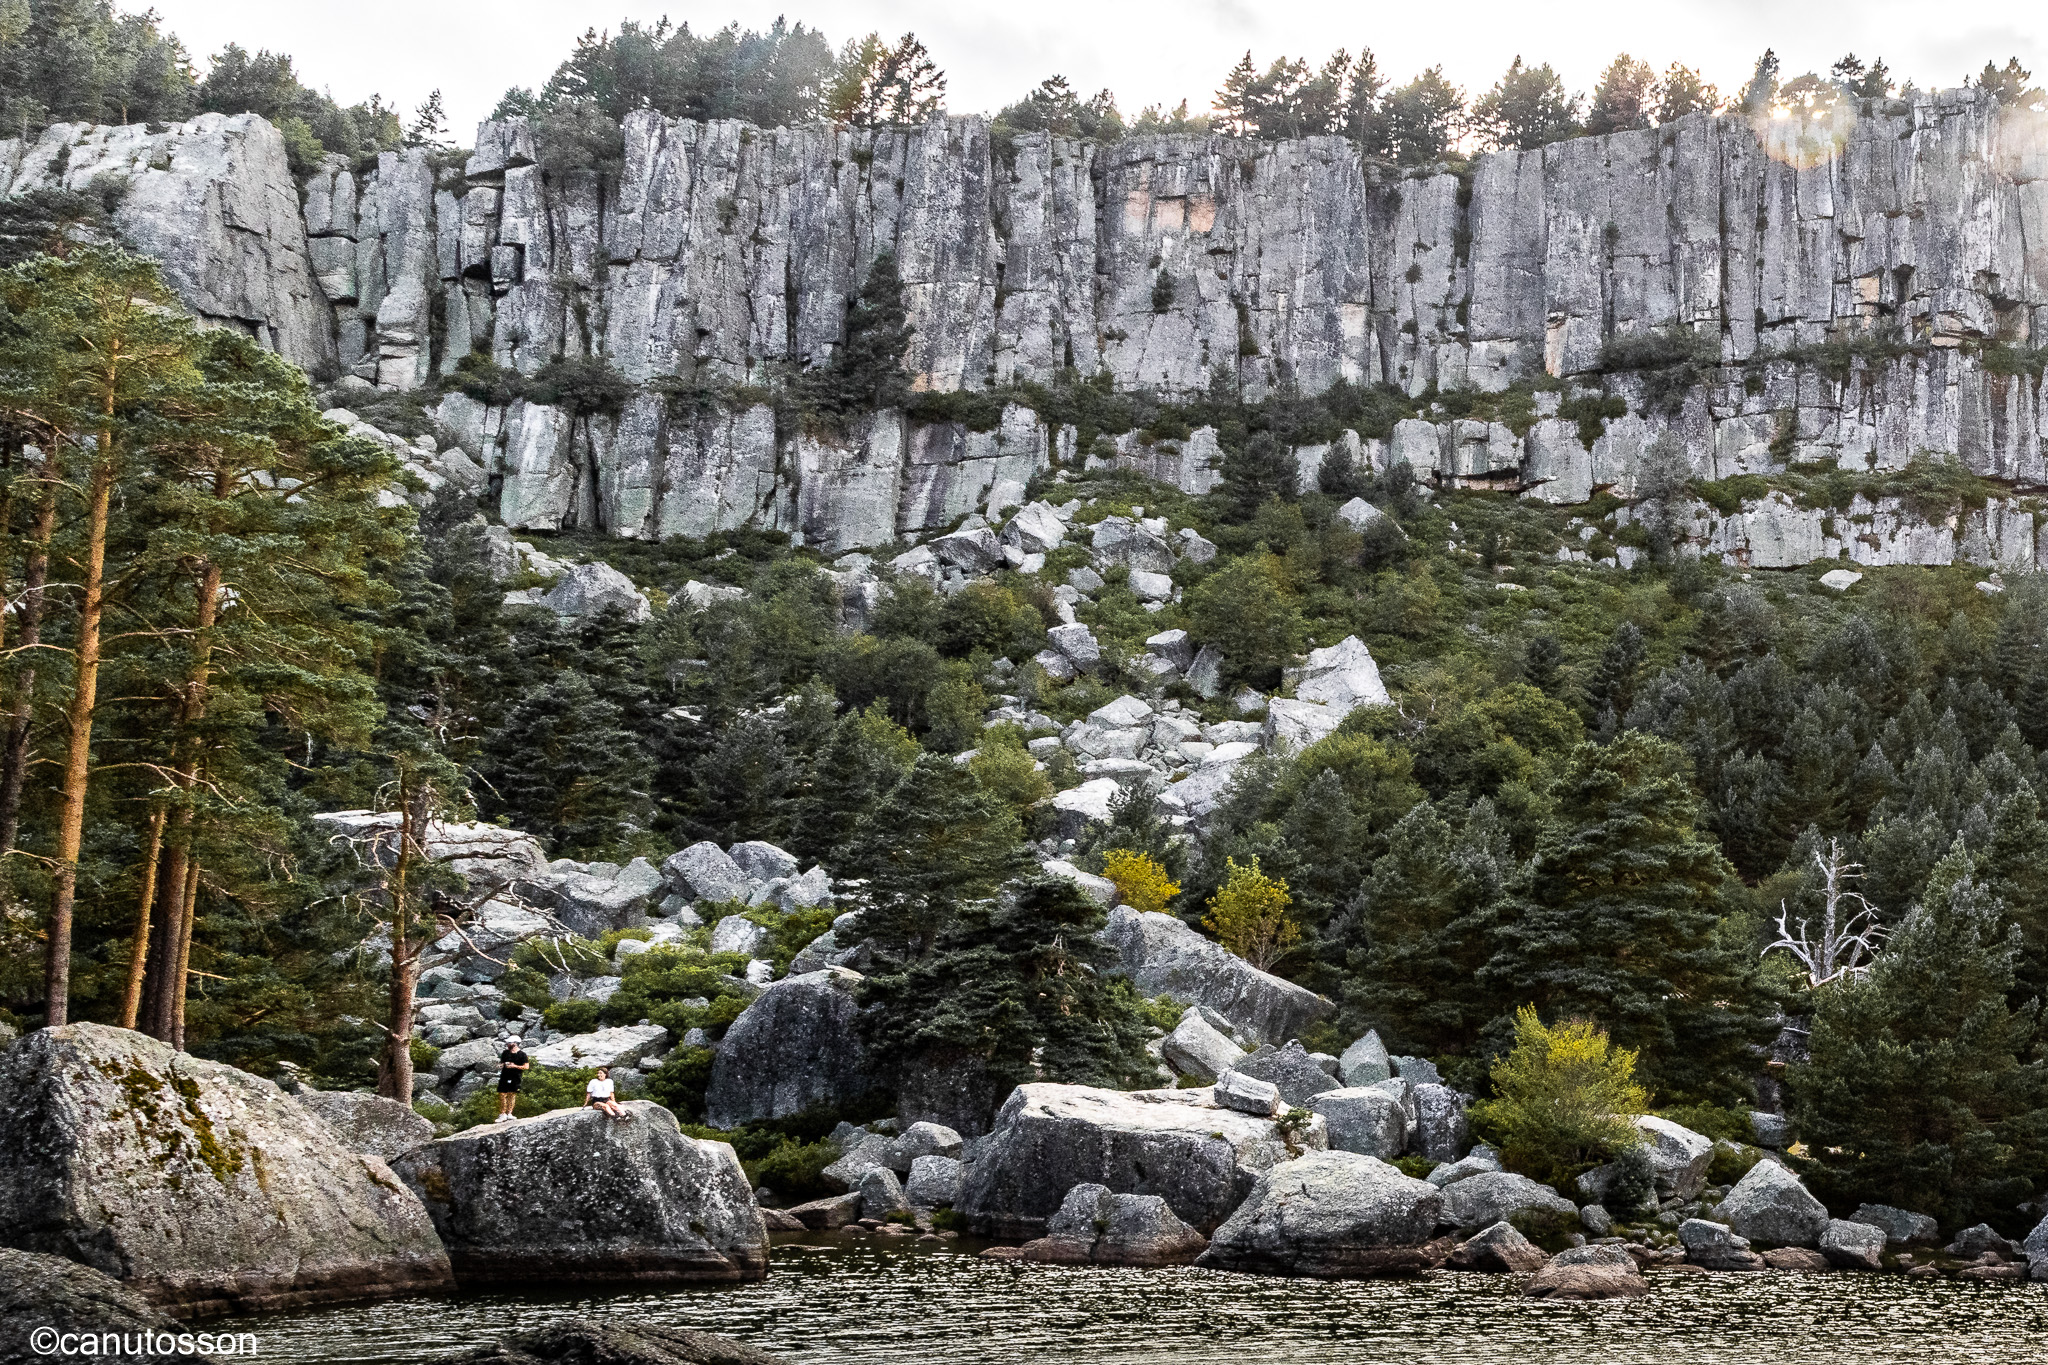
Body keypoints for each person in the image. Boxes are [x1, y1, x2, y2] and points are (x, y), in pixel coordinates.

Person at [495, 1036, 530, 1122]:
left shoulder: (522, 1054)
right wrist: (501, 1065)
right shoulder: (505, 1053)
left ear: (515, 1043)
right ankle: (502, 1114)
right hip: (504, 1076)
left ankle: (509, 1113)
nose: (507, 1044)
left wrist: (514, 1066)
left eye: (509, 1043)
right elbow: (502, 1063)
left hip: (515, 1077)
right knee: (502, 1094)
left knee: (512, 1094)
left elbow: (526, 1067)